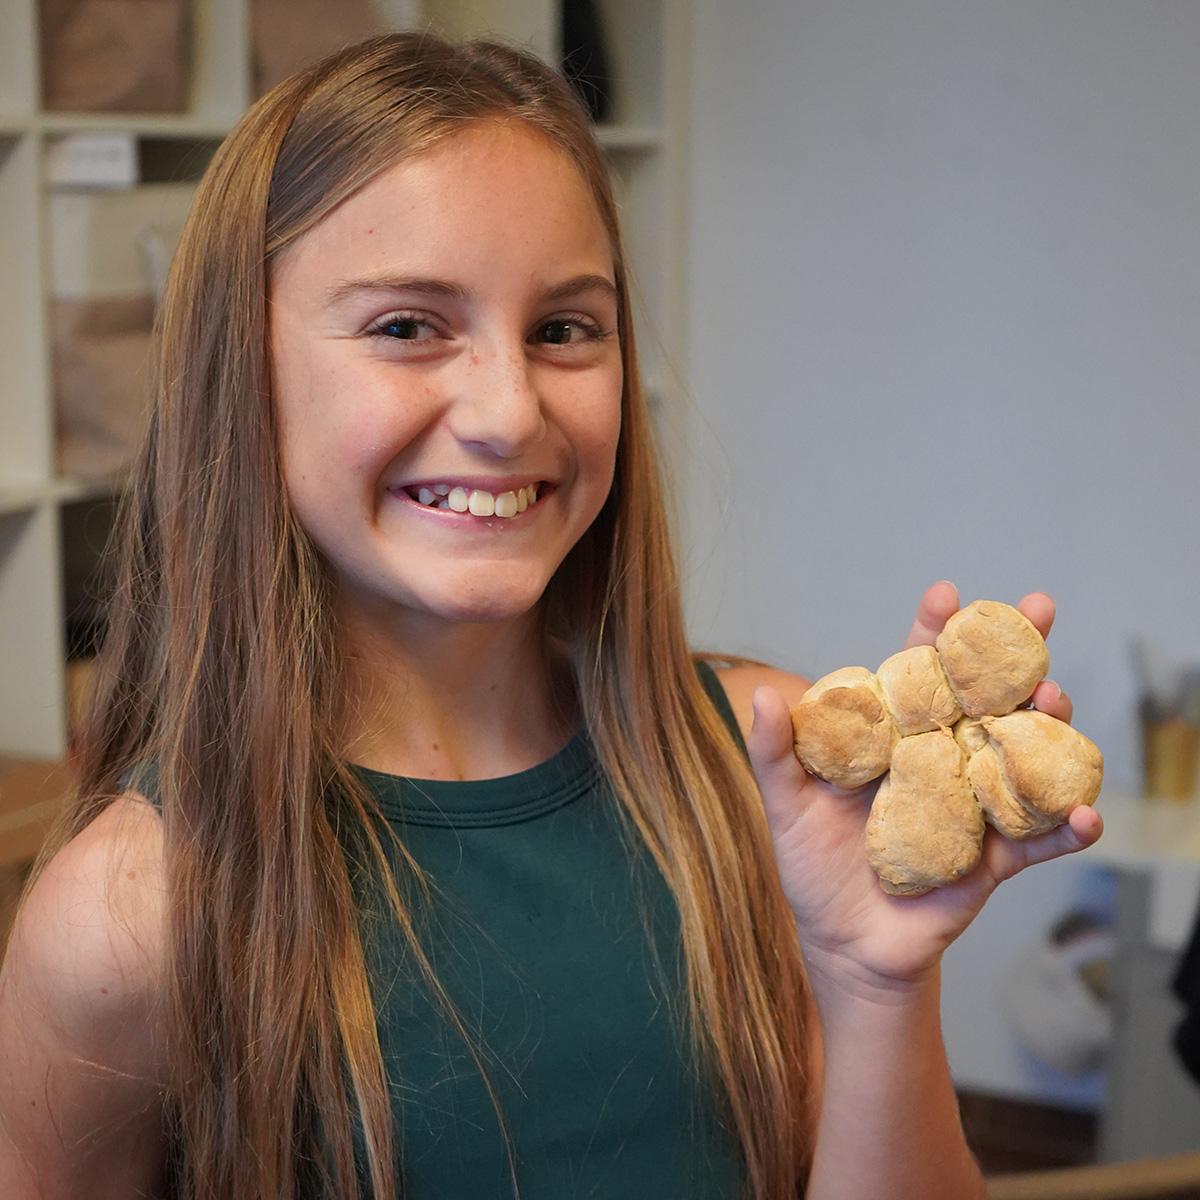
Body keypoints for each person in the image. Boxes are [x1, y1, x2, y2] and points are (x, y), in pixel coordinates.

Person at [0, 29, 1103, 1200]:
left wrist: (877, 986)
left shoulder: (767, 765)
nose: (507, 411)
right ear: (243, 367)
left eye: (564, 329)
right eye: (406, 326)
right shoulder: (132, 911)